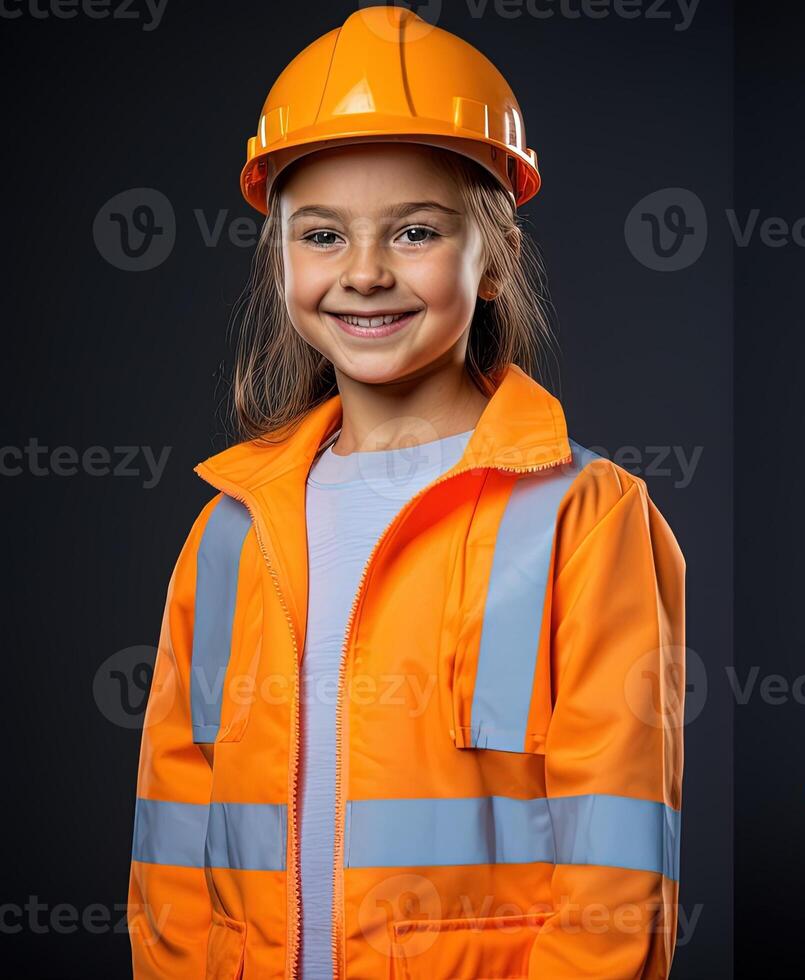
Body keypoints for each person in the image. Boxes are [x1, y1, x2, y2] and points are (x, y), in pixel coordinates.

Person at [125, 7, 685, 978]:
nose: (367, 272)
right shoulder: (230, 529)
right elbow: (175, 828)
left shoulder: (585, 515)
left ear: (496, 258)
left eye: (416, 230)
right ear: (283, 261)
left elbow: (616, 864)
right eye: (324, 235)